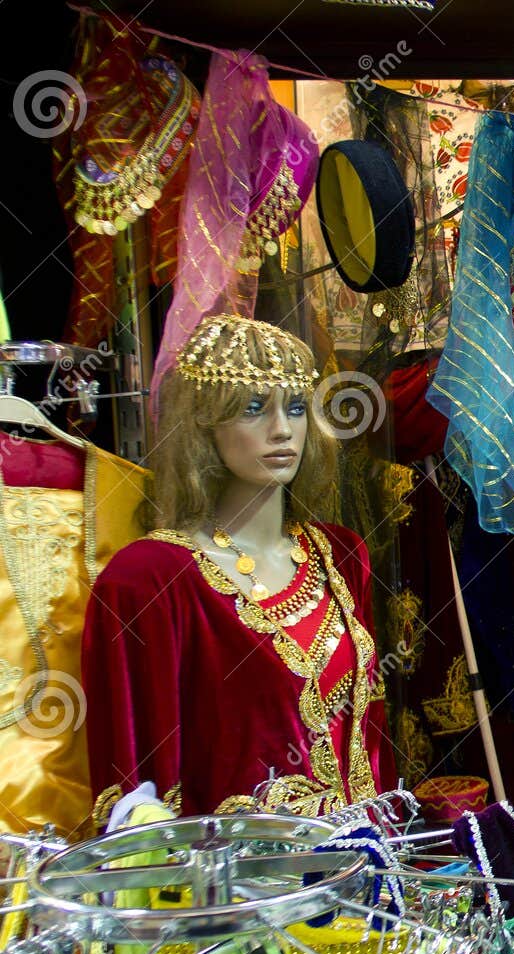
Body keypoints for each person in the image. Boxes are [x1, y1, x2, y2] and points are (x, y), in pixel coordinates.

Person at [84, 314, 391, 822]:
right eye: (253, 409)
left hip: (362, 874)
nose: (281, 431)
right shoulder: (150, 579)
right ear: (205, 425)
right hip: (235, 887)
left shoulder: (340, 554)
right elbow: (133, 793)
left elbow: (371, 736)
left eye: (295, 408)